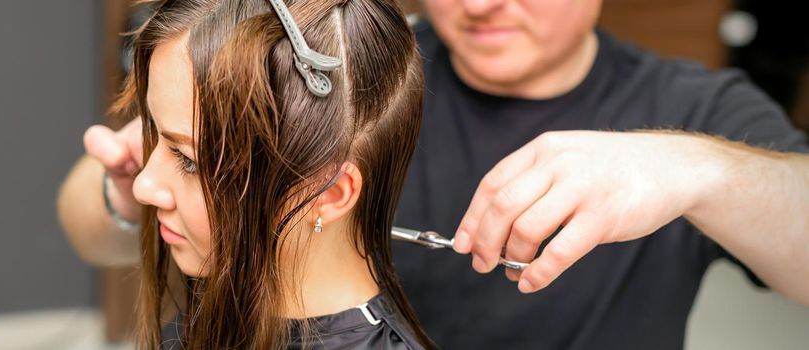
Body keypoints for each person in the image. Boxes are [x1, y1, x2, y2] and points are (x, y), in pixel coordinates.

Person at [58, 0, 809, 348]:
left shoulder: (695, 108)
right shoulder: (341, 79)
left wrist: (703, 171)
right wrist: (136, 190)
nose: (479, 5)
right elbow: (90, 227)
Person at [70, 0, 435, 348]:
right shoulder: (205, 317)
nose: (143, 187)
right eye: (154, 131)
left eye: (189, 160)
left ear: (328, 192)